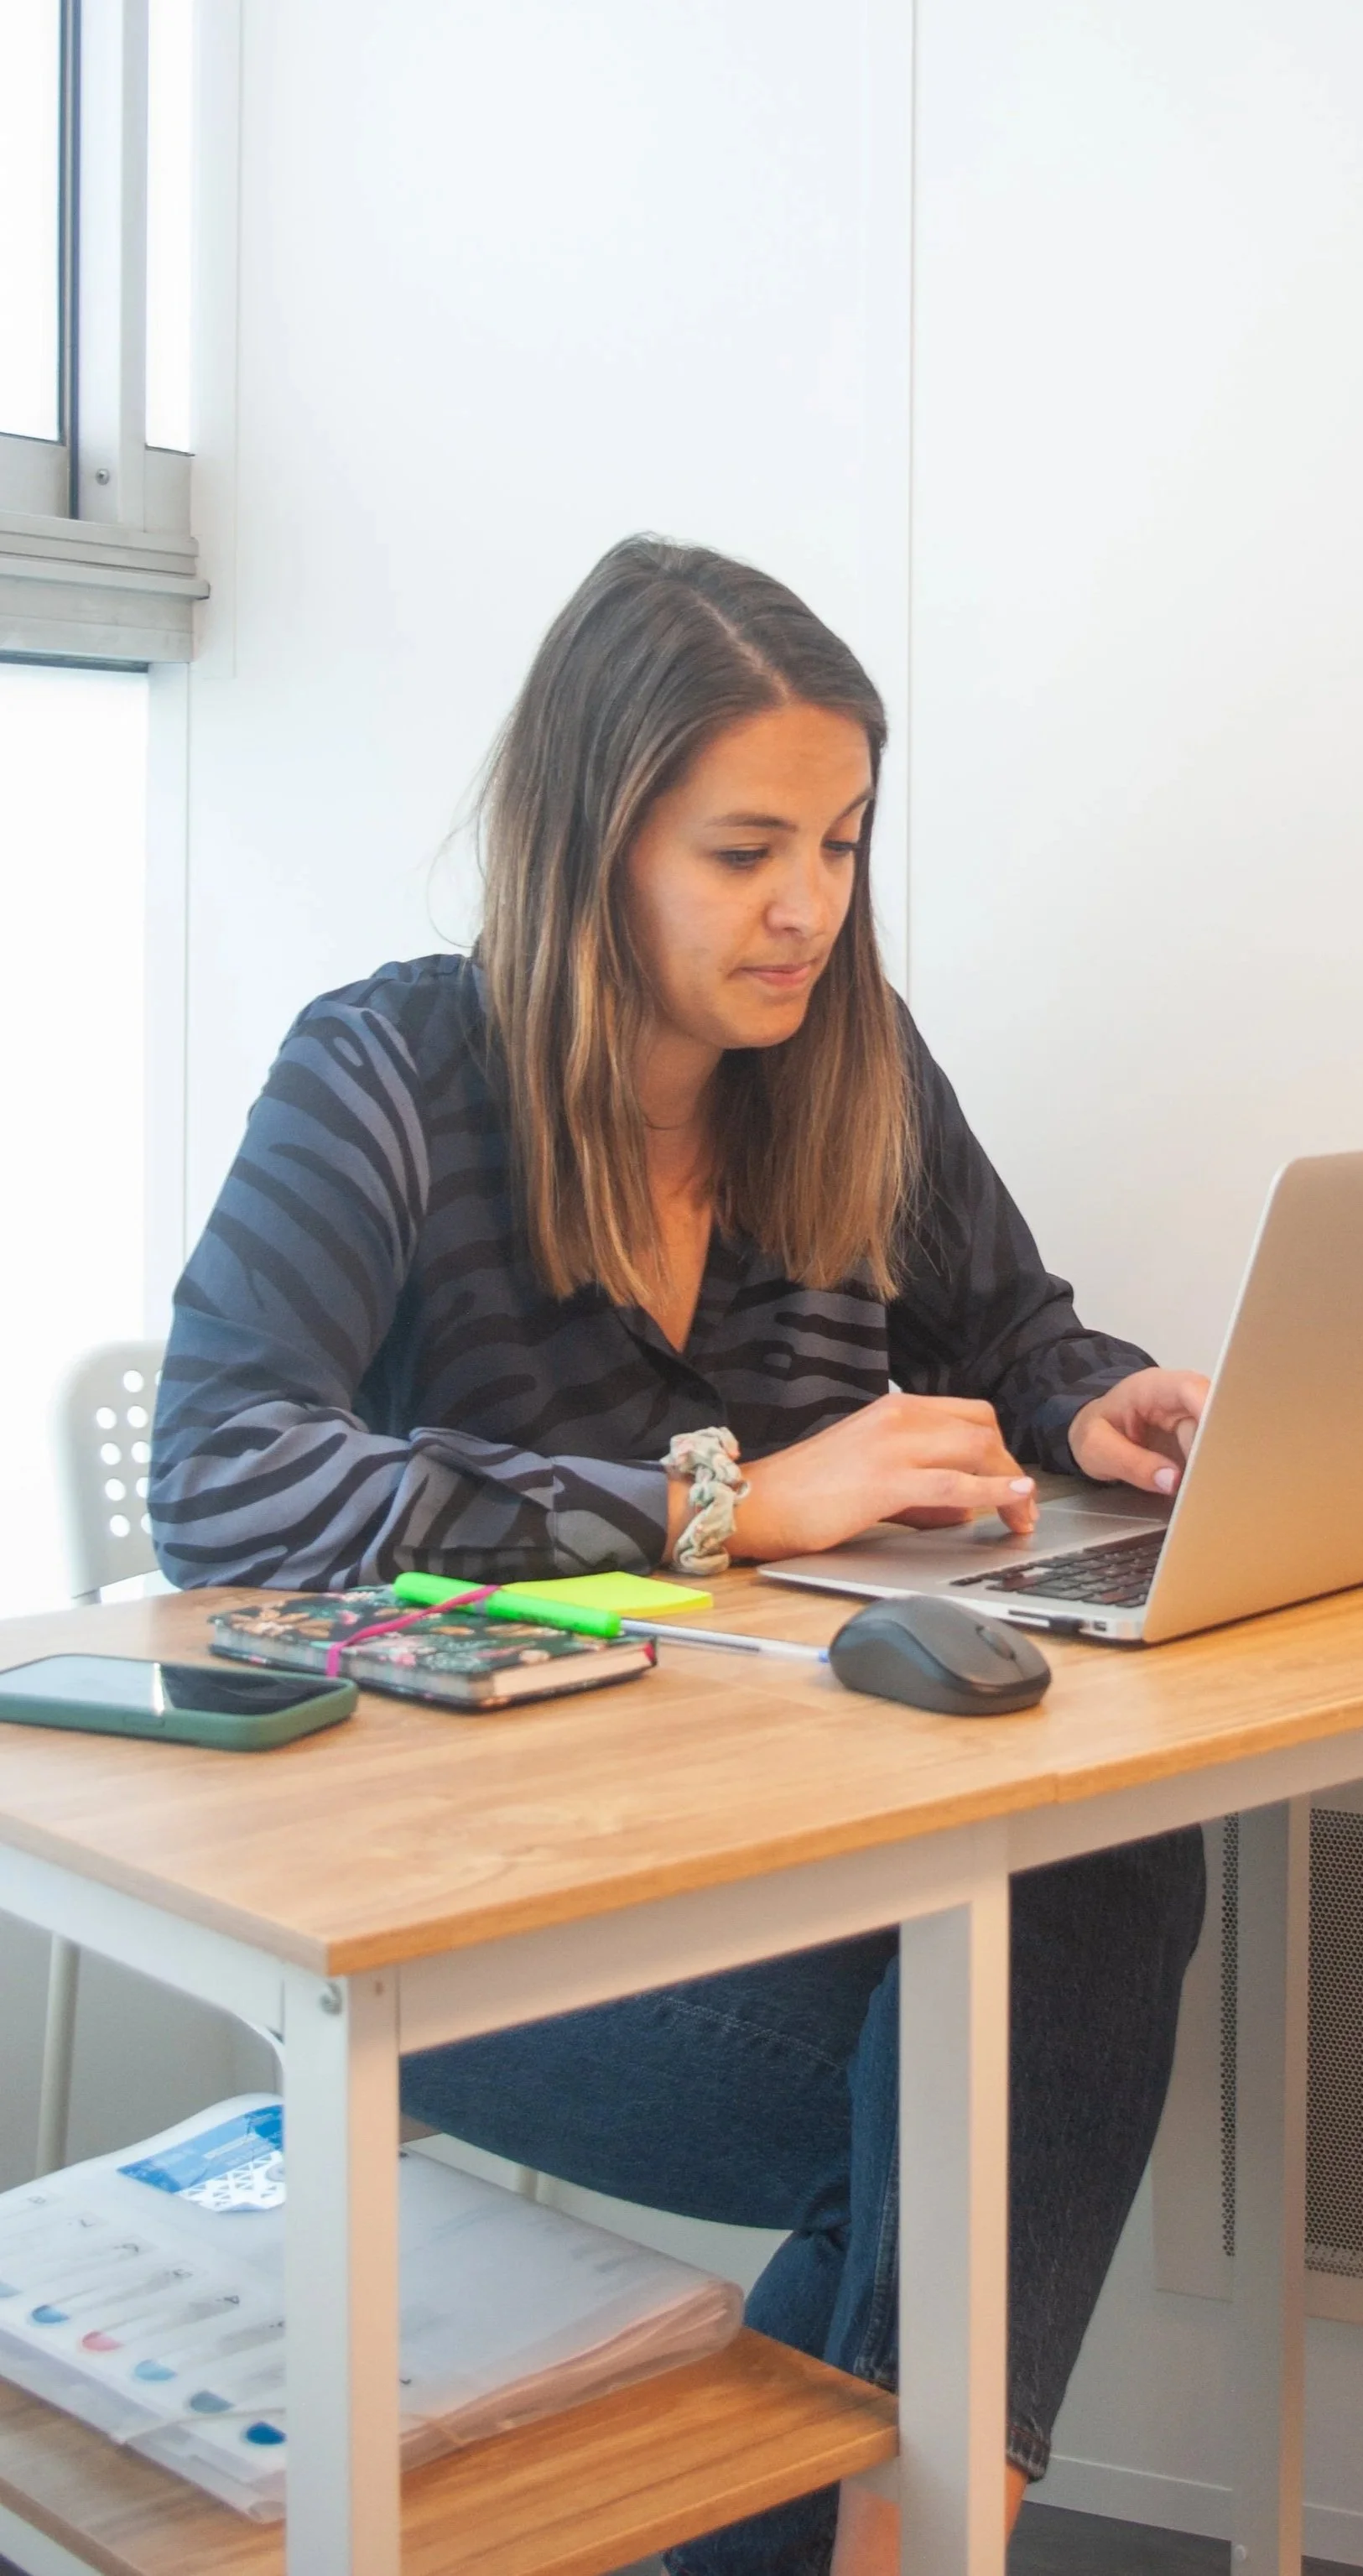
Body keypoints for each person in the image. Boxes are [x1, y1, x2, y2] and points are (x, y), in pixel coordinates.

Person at [150, 538, 1209, 2576]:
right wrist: (723, 1500)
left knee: (1086, 1891)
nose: (805, 903)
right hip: (461, 1927)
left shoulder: (850, 1071)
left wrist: (1094, 1401)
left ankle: (895, 2541)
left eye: (838, 839)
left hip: (776, 1883)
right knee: (994, 2086)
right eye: (743, 849)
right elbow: (222, 1472)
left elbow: (1012, 1326)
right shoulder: (381, 1074)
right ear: (592, 840)